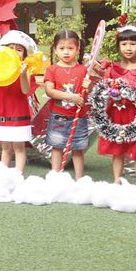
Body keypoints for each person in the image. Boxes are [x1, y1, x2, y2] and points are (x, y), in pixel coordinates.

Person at [97, 19, 136, 185]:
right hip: (117, 114)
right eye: (124, 44)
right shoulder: (113, 69)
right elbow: (106, 89)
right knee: (117, 148)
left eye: (133, 44)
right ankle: (116, 180)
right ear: (119, 46)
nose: (128, 48)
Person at [0, 30, 35, 174]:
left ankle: (18, 176)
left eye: (19, 49)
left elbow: (25, 90)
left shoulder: (26, 69)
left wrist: (23, 74)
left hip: (18, 112)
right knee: (6, 147)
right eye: (10, 48)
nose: (14, 52)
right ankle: (3, 175)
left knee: (19, 147)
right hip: (0, 111)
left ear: (24, 54)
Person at [43, 30, 91, 179]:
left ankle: (79, 179)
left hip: (79, 117)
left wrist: (89, 86)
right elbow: (50, 91)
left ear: (77, 49)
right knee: (57, 146)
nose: (66, 52)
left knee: (78, 148)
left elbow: (87, 92)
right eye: (62, 48)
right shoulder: (52, 69)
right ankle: (55, 177)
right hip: (59, 116)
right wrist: (72, 97)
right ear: (55, 49)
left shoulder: (83, 70)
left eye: (70, 48)